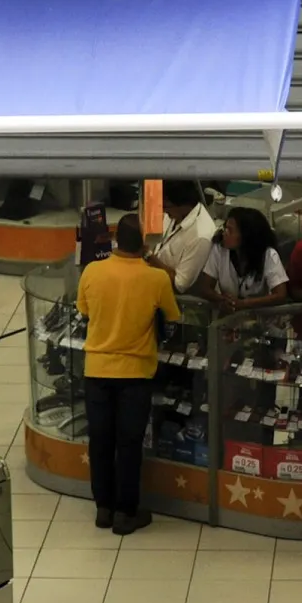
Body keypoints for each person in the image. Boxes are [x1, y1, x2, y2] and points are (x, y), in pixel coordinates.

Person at [76, 213, 182, 534]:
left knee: (100, 441)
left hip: (97, 369)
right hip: (136, 372)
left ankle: (103, 508)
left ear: (115, 240)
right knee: (129, 443)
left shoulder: (93, 271)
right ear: (145, 244)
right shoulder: (156, 279)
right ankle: (126, 511)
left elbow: (85, 311)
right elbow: (173, 315)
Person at [201, 207, 288, 311]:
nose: (225, 233)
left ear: (247, 236)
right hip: (229, 318)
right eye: (225, 228)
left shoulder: (268, 255)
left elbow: (280, 295)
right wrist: (222, 299)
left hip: (260, 319)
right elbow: (205, 288)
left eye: (230, 230)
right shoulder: (219, 249)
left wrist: (244, 304)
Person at [151, 180, 216, 292]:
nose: (163, 211)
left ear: (183, 205)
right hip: (154, 274)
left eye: (165, 207)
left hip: (174, 294)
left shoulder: (201, 236)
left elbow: (179, 285)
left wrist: (149, 257)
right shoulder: (175, 213)